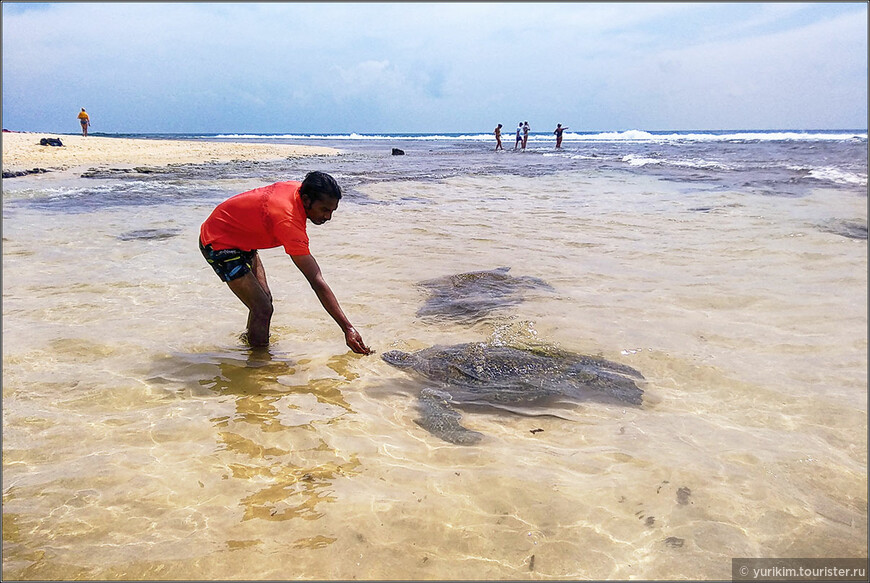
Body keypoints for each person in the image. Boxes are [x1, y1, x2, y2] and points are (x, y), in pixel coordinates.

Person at [199, 171, 372, 354]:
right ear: (306, 200)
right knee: (263, 308)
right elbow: (316, 281)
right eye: (324, 210)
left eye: (332, 211)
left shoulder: (298, 189)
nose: (328, 217)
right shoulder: (288, 221)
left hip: (238, 237)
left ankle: (249, 345)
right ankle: (258, 366)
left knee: (265, 302)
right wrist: (347, 328)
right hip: (217, 242)